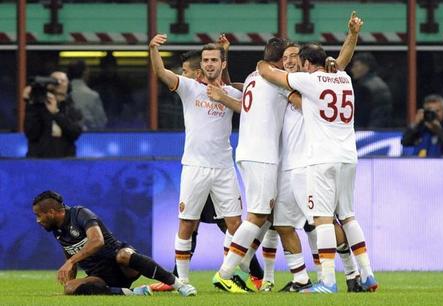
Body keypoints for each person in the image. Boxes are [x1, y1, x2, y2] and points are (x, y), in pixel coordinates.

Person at [257, 32, 378, 293]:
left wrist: (262, 64)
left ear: (307, 64)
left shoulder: (308, 81)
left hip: (322, 159)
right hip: (349, 157)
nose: (297, 65)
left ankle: (327, 281)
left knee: (322, 220)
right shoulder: (344, 78)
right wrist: (352, 36)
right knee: (347, 216)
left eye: (299, 61)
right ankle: (367, 274)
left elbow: (271, 75)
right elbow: (343, 61)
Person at [149, 34, 243, 286]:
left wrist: (223, 97)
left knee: (236, 225)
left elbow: (248, 109)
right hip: (195, 166)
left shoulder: (232, 93)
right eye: (205, 60)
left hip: (224, 167)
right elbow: (161, 73)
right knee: (187, 223)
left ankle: (226, 275)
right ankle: (182, 280)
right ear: (201, 64)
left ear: (222, 64)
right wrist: (153, 49)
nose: (209, 63)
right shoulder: (190, 88)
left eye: (214, 60)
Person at [211, 37, 292, 294]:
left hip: (248, 152)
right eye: (289, 57)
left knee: (267, 215)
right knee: (258, 215)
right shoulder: (276, 78)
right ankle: (225, 273)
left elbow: (244, 105)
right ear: (279, 59)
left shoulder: (253, 77)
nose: (292, 61)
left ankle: (247, 264)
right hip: (262, 155)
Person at [31, 190, 197, 296]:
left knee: (124, 255)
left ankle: (178, 284)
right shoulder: (56, 230)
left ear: (52, 212)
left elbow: (97, 241)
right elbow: (71, 257)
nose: (38, 220)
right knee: (69, 288)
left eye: (39, 215)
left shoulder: (80, 213)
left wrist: (70, 261)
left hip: (122, 265)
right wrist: (71, 284)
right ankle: (133, 293)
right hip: (101, 277)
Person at [24, 71, 83, 158]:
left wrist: (56, 113)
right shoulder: (38, 106)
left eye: (63, 81)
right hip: (39, 161)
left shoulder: (73, 108)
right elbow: (31, 134)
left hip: (65, 161)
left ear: (68, 85)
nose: (59, 83)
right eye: (55, 81)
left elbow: (75, 133)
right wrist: (31, 103)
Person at [350, 52, 393, 128]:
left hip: (369, 131)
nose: (352, 70)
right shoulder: (379, 83)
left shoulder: (365, 88)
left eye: (356, 66)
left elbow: (362, 116)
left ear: (366, 67)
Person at [67, 60, 108, 130]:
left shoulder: (61, 93)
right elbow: (102, 122)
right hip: (89, 137)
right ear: (85, 73)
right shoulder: (93, 96)